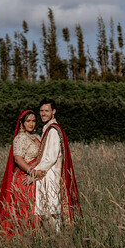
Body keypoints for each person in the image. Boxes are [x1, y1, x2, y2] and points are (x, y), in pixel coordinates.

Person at [27, 98, 80, 232]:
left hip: (51, 176)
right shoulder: (48, 129)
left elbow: (51, 157)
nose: (43, 113)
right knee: (48, 213)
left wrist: (33, 171)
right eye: (41, 111)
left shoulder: (53, 131)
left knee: (52, 213)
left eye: (47, 111)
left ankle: (57, 241)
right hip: (46, 175)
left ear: (53, 112)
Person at [0, 110, 41, 236]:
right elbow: (18, 159)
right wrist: (31, 172)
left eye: (34, 121)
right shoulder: (20, 138)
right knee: (25, 209)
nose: (31, 124)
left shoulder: (37, 137)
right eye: (28, 121)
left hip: (36, 177)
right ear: (22, 123)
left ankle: (35, 236)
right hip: (24, 178)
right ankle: (22, 237)